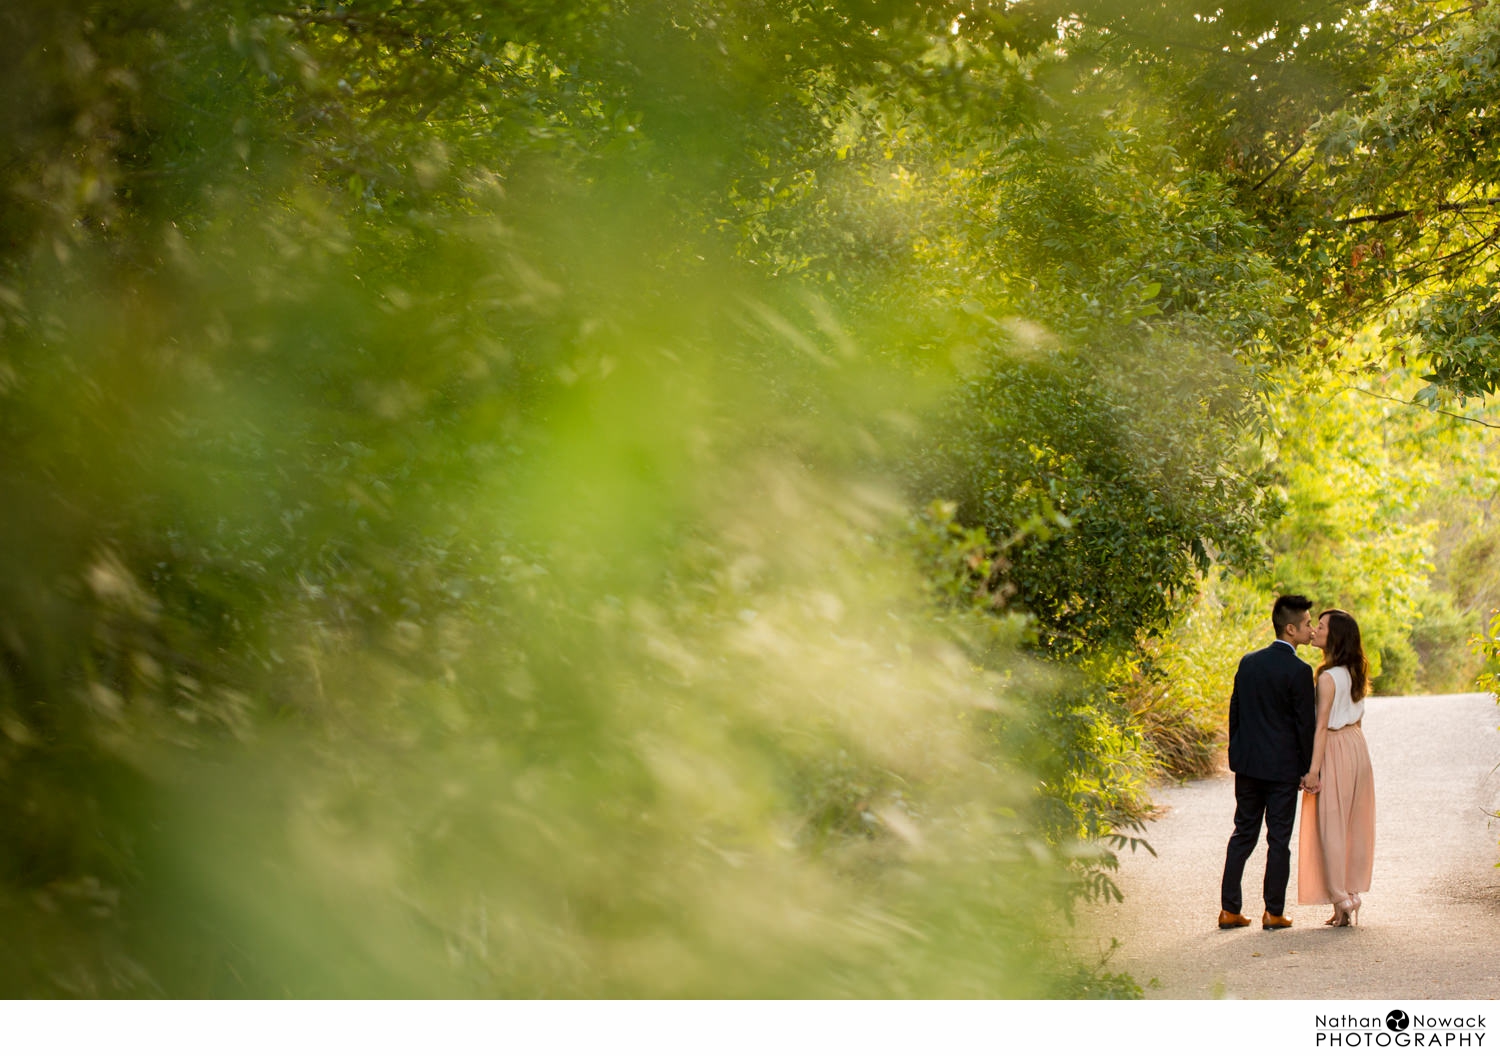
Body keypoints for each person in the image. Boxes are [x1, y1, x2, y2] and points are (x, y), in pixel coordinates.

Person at [1218, 594, 1317, 930]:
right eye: (1306, 624)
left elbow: (1235, 712)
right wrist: (1307, 768)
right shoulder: (1300, 671)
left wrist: (1236, 755)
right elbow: (1306, 726)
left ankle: (1229, 909)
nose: (1310, 629)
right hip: (1281, 770)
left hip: (1247, 765)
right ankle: (1273, 912)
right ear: (1290, 629)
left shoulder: (1249, 662)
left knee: (1243, 833)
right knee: (1278, 840)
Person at [1296, 608, 1376, 926]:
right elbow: (1358, 716)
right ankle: (1347, 896)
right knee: (1351, 823)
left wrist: (1313, 770)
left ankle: (1341, 896)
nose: (1315, 629)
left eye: (1322, 626)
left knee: (1330, 824)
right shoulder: (1354, 671)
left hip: (1335, 746)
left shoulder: (1328, 677)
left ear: (1336, 636)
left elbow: (1321, 726)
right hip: (1357, 744)